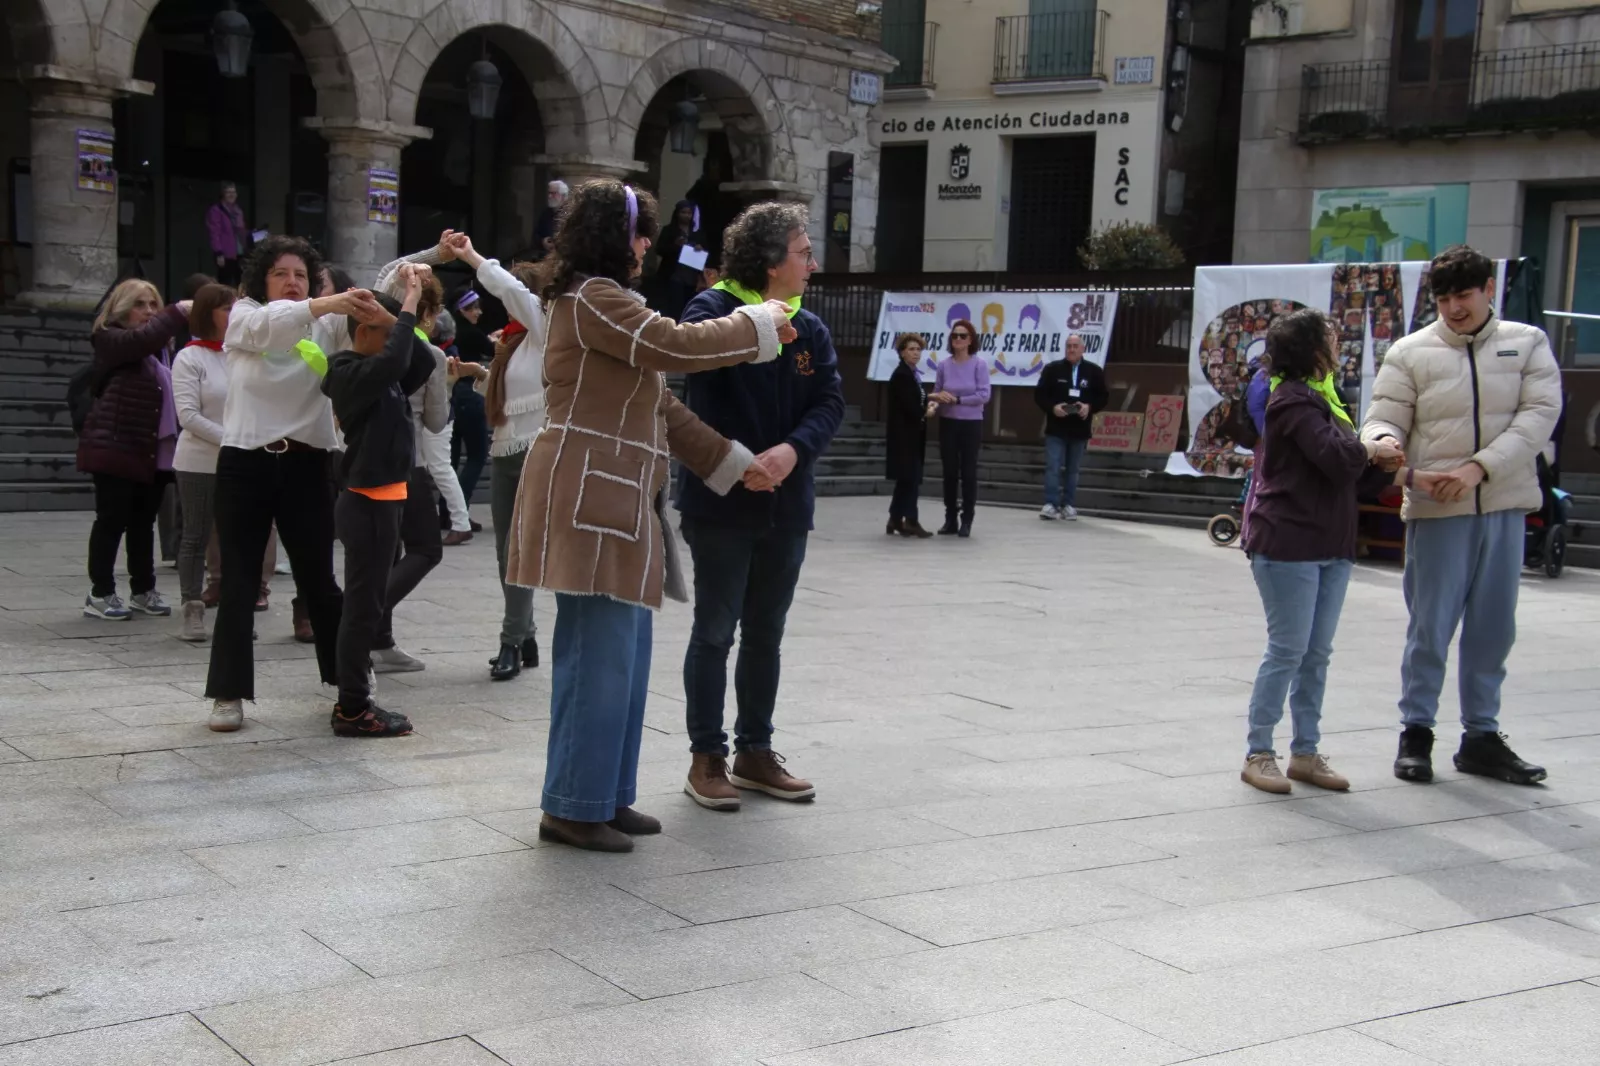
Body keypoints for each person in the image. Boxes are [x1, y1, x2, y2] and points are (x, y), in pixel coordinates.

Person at [502, 179, 795, 852]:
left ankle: (602, 796)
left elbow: (662, 406)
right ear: (618, 238)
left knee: (623, 658)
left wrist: (731, 461)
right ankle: (572, 806)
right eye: (642, 236)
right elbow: (673, 345)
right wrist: (758, 322)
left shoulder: (607, 305)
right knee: (597, 656)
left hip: (615, 495)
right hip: (589, 493)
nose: (646, 249)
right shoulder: (592, 299)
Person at [1362, 245, 1563, 786]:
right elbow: (1383, 416)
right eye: (1445, 297)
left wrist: (1480, 468)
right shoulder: (1410, 351)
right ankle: (1417, 732)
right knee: (1430, 626)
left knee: (1493, 628)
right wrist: (1382, 443)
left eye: (1464, 295)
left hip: (1502, 505)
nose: (1454, 308)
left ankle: (1481, 737)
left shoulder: (1527, 343)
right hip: (1435, 510)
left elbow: (1540, 415)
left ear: (1488, 291)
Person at [676, 201, 844, 811]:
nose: (812, 264)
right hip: (723, 500)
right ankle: (706, 757)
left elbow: (828, 401)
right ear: (772, 261)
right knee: (716, 631)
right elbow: (699, 391)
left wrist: (791, 453)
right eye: (803, 253)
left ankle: (754, 750)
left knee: (766, 635)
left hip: (787, 504)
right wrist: (743, 460)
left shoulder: (813, 327)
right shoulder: (713, 311)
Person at [204, 235, 380, 733]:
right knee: (239, 582)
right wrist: (322, 301)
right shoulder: (245, 315)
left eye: (301, 274)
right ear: (263, 279)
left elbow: (375, 321)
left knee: (320, 581)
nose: (292, 282)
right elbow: (269, 326)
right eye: (281, 273)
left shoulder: (326, 326)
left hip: (307, 464)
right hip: (245, 463)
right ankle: (228, 694)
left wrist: (417, 276)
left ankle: (350, 685)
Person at [1238, 309, 1409, 793]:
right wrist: (1371, 451)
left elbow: (1350, 470)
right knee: (1287, 649)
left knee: (1316, 653)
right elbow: (1337, 457)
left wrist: (1388, 459)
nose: (1338, 346)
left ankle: (1306, 752)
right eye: (1331, 339)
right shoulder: (1290, 401)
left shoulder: (1323, 401)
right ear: (1313, 350)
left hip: (1330, 543)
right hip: (1288, 542)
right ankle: (1258, 751)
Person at [323, 270, 438, 737]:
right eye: (388, 333)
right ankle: (353, 708)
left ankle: (355, 702)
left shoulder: (383, 373)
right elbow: (393, 362)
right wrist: (409, 300)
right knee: (363, 609)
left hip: (385, 500)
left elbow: (423, 360)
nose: (398, 343)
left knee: (366, 606)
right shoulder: (347, 372)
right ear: (364, 332)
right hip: (365, 503)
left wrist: (396, 316)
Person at [434, 232, 547, 680]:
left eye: (519, 293)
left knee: (517, 549)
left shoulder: (546, 328)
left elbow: (511, 290)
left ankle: (511, 641)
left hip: (537, 449)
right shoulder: (513, 342)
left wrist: (472, 257)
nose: (505, 303)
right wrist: (478, 373)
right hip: (506, 446)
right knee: (505, 551)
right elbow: (508, 390)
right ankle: (528, 634)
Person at [171, 284, 281, 643]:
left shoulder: (245, 353)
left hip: (243, 460)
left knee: (241, 539)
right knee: (196, 535)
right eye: (225, 309)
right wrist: (233, 440)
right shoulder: (190, 358)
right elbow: (187, 415)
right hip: (200, 461)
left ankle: (238, 612)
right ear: (208, 314)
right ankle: (192, 607)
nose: (233, 314)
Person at [77, 279, 191, 620]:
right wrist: (176, 312)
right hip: (115, 446)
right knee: (111, 521)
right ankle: (101, 592)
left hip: (150, 450)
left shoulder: (159, 351)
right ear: (122, 308)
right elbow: (140, 340)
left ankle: (143, 589)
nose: (149, 312)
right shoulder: (111, 339)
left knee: (143, 524)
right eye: (140, 304)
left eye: (154, 304)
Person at [1033, 334, 1108, 521]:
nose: (1071, 349)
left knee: (1073, 469)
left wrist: (1089, 407)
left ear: (1083, 349)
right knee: (1053, 466)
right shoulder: (1052, 370)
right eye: (1068, 346)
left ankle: (1068, 505)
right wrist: (1053, 408)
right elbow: (1040, 394)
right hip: (1056, 428)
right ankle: (1051, 504)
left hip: (1079, 429)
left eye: (1075, 346)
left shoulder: (1094, 371)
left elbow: (1103, 397)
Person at [929, 319, 990, 537]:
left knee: (969, 471)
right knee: (949, 472)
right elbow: (937, 391)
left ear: (970, 340)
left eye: (962, 336)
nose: (957, 339)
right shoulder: (944, 365)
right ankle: (950, 518)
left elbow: (984, 395)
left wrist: (958, 400)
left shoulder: (979, 364)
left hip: (971, 423)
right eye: (954, 335)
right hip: (948, 422)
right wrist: (934, 403)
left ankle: (967, 519)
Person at [448, 289, 493, 518]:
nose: (478, 312)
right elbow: (493, 351)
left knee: (452, 458)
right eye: (473, 308)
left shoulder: (451, 331)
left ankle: (447, 516)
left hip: (451, 395)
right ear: (462, 310)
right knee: (477, 455)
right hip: (469, 393)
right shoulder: (472, 334)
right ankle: (461, 515)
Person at [885, 333, 934, 538]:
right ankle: (911, 520)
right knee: (911, 478)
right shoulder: (902, 375)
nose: (915, 353)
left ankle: (895, 519)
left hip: (912, 435)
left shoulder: (912, 374)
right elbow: (909, 406)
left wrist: (929, 400)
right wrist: (927, 411)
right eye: (911, 349)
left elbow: (915, 398)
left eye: (918, 350)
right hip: (904, 437)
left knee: (906, 479)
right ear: (902, 352)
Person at [205, 182, 249, 287]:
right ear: (223, 194)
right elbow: (214, 232)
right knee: (225, 283)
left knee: (241, 283)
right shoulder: (216, 210)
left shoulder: (238, 210)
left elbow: (241, 230)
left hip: (240, 252)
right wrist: (218, 253)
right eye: (228, 192)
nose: (231, 195)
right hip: (226, 253)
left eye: (233, 192)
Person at [533, 180, 568, 258]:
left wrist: (556, 244)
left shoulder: (569, 213)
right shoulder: (545, 213)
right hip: (545, 257)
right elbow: (536, 234)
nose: (549, 196)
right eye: (549, 193)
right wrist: (543, 241)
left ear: (563, 196)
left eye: (554, 193)